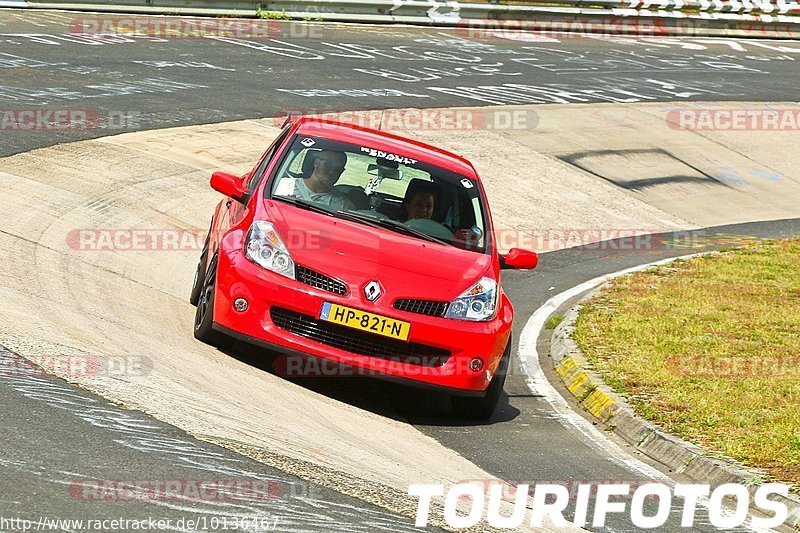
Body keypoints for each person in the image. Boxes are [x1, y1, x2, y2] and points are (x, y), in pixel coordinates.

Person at [277, 150, 354, 211]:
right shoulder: (284, 186)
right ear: (316, 162)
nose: (332, 172)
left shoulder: (343, 205)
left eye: (338, 169)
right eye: (328, 165)